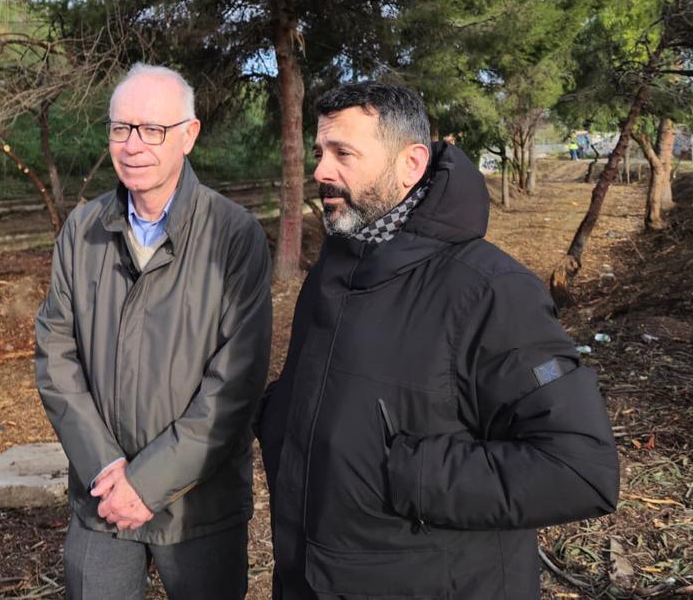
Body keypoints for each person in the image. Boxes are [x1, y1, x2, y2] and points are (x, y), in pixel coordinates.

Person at [258, 83, 619, 599]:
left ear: (411, 164)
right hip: (311, 577)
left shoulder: (490, 290)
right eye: (319, 152)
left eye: (343, 153)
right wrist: (278, 418)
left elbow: (579, 468)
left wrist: (411, 473)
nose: (320, 171)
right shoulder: (333, 272)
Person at [36, 63, 272, 600]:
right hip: (102, 498)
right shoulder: (83, 230)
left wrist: (148, 483)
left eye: (152, 130)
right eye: (121, 128)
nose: (133, 144)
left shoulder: (233, 236)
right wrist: (105, 467)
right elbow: (56, 355)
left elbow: (235, 385)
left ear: (188, 136)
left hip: (197, 506)